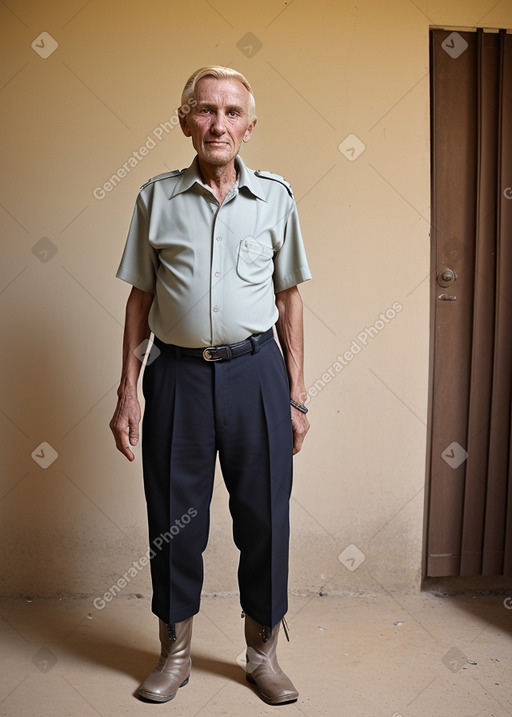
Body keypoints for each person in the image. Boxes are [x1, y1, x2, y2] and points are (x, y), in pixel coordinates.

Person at [109, 65, 311, 706]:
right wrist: (127, 393)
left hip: (256, 375)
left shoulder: (276, 198)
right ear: (184, 121)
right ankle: (174, 655)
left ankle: (261, 655)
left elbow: (289, 298)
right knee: (174, 517)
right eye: (204, 110)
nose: (216, 124)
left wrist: (296, 394)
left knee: (265, 518)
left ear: (250, 126)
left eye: (230, 113)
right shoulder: (155, 198)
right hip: (176, 377)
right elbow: (140, 300)